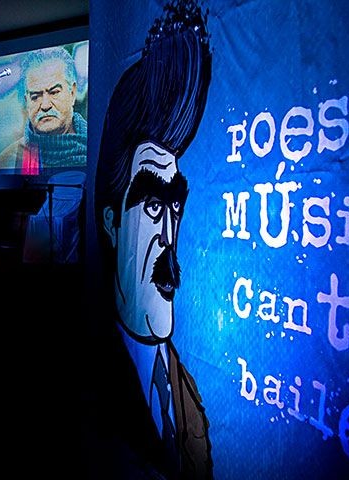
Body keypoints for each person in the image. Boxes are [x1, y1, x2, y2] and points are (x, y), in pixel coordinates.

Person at [93, 0, 213, 478]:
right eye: (152, 206)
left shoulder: (187, 395)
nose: (168, 240)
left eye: (174, 207)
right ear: (111, 222)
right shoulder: (96, 373)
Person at [0, 46, 87, 174]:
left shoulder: (97, 145)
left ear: (72, 93)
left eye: (54, 92)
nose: (45, 105)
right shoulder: (11, 158)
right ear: (27, 101)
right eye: (35, 96)